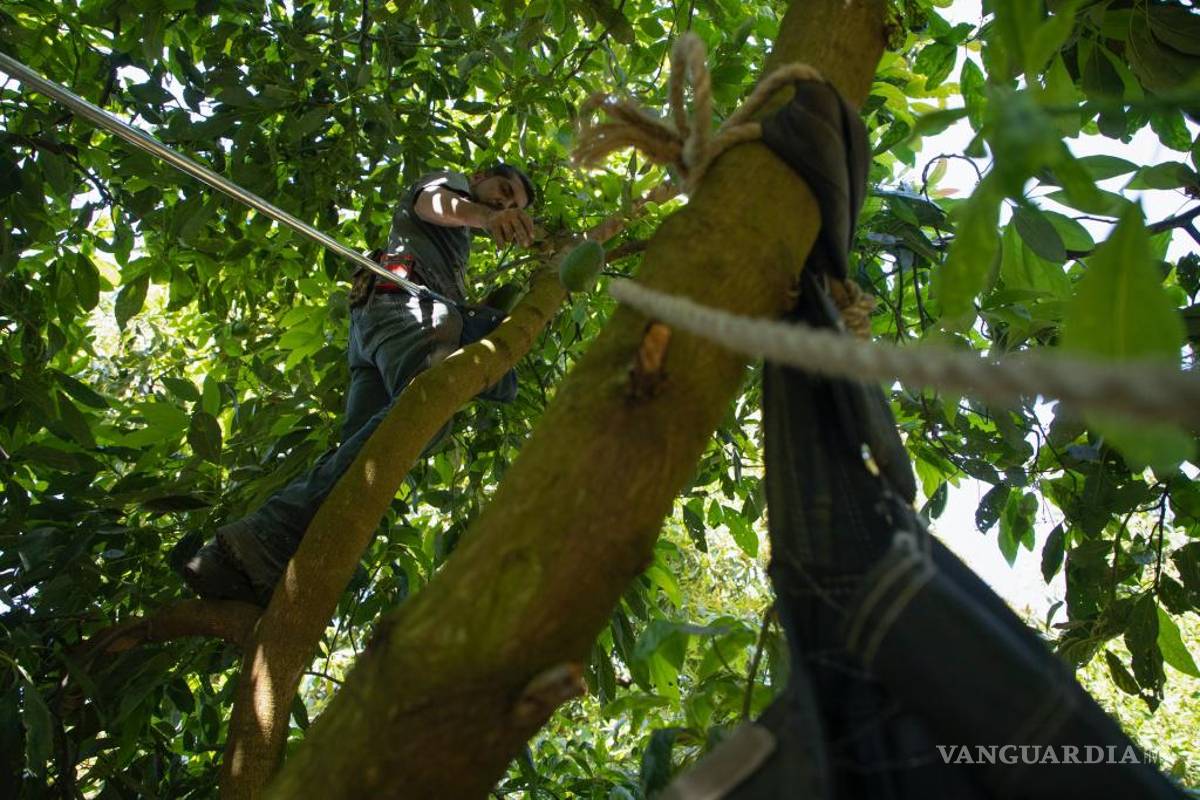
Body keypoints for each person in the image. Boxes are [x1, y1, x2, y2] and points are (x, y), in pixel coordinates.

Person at [178, 164, 537, 606]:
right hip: (405, 309)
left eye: (511, 206)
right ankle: (261, 536)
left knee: (364, 460)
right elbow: (434, 202)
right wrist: (486, 218)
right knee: (425, 415)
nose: (502, 204)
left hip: (375, 324)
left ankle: (268, 568)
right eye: (502, 191)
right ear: (480, 175)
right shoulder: (454, 187)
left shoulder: (450, 246)